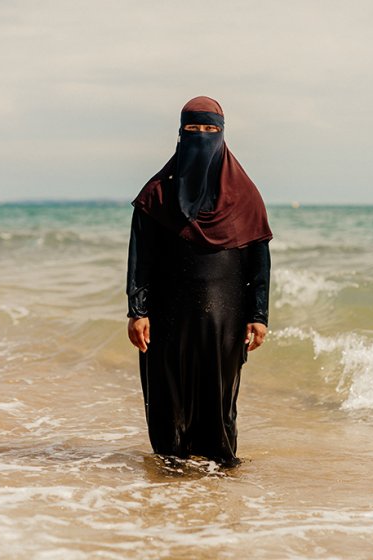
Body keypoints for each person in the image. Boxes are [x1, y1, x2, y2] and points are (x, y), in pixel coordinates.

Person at [126, 96, 272, 467]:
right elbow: (140, 258)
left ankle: (218, 486)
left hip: (224, 319)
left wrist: (259, 315)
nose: (202, 138)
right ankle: (169, 485)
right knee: (168, 400)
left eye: (211, 130)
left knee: (218, 402)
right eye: (193, 130)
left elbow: (259, 260)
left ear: (223, 136)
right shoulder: (156, 195)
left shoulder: (246, 196)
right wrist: (137, 310)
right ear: (179, 135)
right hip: (168, 315)